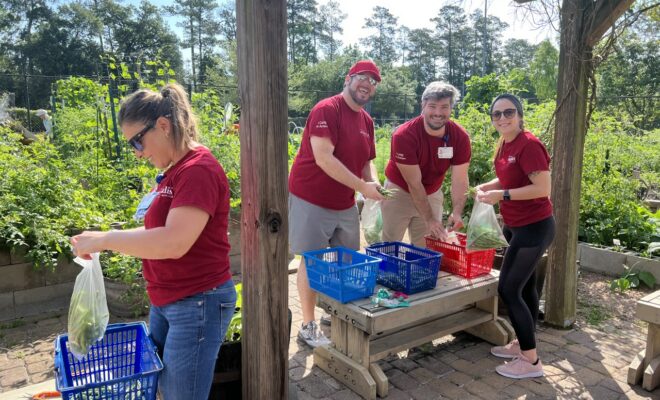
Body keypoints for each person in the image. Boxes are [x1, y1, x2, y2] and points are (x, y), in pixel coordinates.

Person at [70, 83, 236, 399]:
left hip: (198, 300)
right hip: (169, 298)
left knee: (180, 394)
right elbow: (159, 236)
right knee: (163, 389)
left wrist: (105, 240)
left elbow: (174, 242)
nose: (136, 152)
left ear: (162, 125)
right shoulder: (174, 169)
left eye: (137, 140)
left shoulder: (198, 169)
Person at [288, 60, 386, 348]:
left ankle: (335, 311)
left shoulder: (366, 121)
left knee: (346, 259)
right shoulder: (326, 109)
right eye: (362, 78)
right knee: (312, 260)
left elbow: (367, 162)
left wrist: (374, 184)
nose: (367, 84)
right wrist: (361, 187)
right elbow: (324, 157)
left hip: (344, 202)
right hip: (311, 198)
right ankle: (307, 324)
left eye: (373, 81)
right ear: (348, 79)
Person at [476, 93, 555, 379]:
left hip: (535, 227)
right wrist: (488, 187)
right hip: (516, 225)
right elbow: (509, 179)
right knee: (524, 287)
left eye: (508, 112)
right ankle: (522, 344)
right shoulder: (506, 144)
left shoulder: (530, 145)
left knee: (508, 289)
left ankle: (531, 362)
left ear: (520, 115)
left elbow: (542, 188)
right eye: (496, 114)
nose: (502, 118)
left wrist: (502, 195)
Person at [380, 81, 470, 247]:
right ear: (423, 105)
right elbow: (413, 183)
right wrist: (430, 219)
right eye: (432, 106)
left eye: (444, 107)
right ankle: (386, 273)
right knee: (390, 245)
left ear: (451, 108)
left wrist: (457, 212)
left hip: (432, 191)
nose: (438, 112)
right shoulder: (404, 135)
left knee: (427, 247)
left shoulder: (460, 137)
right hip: (399, 190)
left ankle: (421, 272)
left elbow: (460, 180)